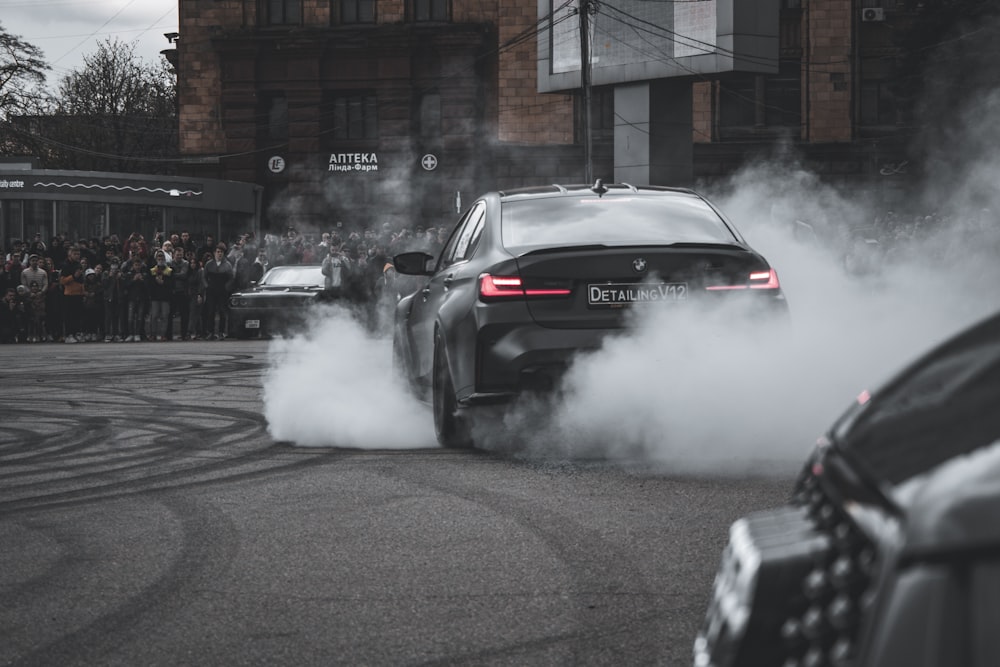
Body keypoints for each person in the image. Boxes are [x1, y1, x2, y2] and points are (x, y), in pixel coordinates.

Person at [203, 246, 233, 339]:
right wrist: (207, 286)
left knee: (222, 312)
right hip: (211, 291)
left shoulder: (227, 265)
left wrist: (226, 287)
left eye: (221, 252)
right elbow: (204, 277)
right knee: (210, 311)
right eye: (218, 252)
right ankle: (210, 332)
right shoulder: (209, 264)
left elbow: (231, 278)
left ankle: (221, 332)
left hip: (222, 291)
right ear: (214, 253)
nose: (219, 254)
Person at [59, 245, 86, 343]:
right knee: (69, 316)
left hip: (78, 293)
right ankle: (68, 334)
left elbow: (81, 280)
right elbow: (62, 281)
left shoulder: (78, 265)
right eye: (75, 254)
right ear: (69, 254)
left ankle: (76, 333)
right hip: (69, 294)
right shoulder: (65, 265)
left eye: (78, 254)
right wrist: (73, 276)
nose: (77, 256)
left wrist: (83, 292)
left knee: (77, 316)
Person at [147, 250, 174, 341]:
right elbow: (149, 284)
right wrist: (156, 282)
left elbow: (171, 284)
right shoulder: (152, 270)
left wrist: (163, 282)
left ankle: (163, 334)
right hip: (155, 297)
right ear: (156, 258)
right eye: (158, 256)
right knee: (154, 316)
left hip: (165, 297)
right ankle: (153, 334)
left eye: (162, 256)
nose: (160, 258)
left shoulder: (169, 270)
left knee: (165, 316)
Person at [123, 257, 149, 342]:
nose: (137, 267)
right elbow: (126, 285)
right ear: (133, 265)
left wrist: (142, 280)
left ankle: (137, 334)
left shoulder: (144, 274)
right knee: (130, 317)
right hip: (131, 298)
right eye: (136, 265)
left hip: (141, 298)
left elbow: (147, 287)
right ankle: (130, 334)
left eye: (139, 265)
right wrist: (133, 280)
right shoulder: (129, 274)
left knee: (139, 317)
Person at [101, 258, 125, 342]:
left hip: (118, 298)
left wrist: (120, 278)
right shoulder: (106, 273)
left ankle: (116, 334)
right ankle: (107, 334)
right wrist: (110, 277)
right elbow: (104, 285)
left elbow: (124, 285)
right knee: (108, 317)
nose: (114, 266)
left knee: (116, 317)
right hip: (109, 298)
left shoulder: (120, 273)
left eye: (116, 264)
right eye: (113, 264)